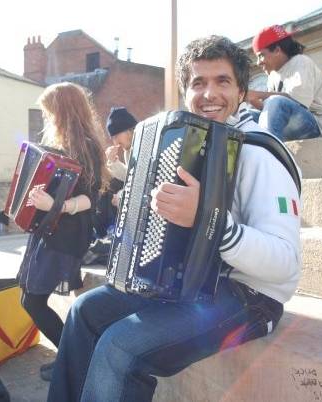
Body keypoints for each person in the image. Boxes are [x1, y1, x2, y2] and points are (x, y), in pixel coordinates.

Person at [47, 35, 302, 402]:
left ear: (242, 90)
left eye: (222, 81)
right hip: (193, 282)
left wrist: (208, 222)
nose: (209, 93)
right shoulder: (191, 144)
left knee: (121, 347)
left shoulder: (260, 152)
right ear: (185, 92)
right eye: (198, 83)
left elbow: (285, 265)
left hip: (250, 295)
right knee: (85, 310)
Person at [17, 82, 110, 381]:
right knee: (29, 299)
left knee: (32, 301)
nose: (48, 118)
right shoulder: (64, 143)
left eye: (50, 112)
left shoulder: (86, 144)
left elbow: (91, 198)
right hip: (48, 230)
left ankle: (74, 363)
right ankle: (72, 359)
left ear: (64, 111)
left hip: (66, 233)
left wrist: (55, 205)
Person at [245, 24, 322, 141]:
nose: (258, 62)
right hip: (293, 122)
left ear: (277, 50)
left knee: (275, 102)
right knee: (246, 115)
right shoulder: (273, 76)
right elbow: (272, 113)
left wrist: (257, 94)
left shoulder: (301, 62)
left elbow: (295, 102)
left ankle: (269, 154)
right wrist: (250, 99)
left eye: (261, 56)